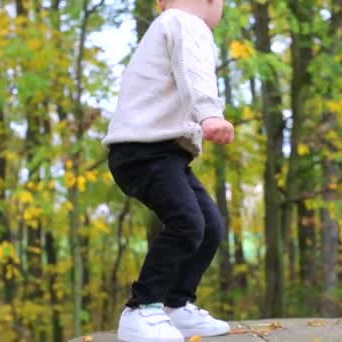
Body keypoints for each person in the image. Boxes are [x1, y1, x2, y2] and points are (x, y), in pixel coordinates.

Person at [102, 0, 233, 340]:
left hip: (161, 153)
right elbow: (195, 71)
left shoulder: (167, 25)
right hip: (145, 151)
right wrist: (209, 113)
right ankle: (141, 308)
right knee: (187, 222)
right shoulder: (186, 23)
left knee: (210, 226)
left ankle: (177, 305)